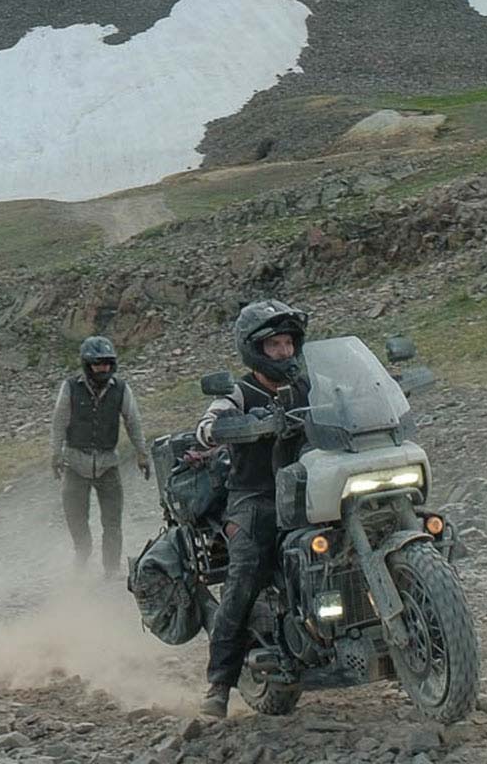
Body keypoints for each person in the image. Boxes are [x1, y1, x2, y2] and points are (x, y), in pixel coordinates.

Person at [194, 299, 312, 718]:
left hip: (310, 486)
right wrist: (220, 428)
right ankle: (220, 682)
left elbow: (350, 397)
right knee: (245, 570)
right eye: (274, 345)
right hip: (256, 496)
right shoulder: (240, 392)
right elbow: (208, 423)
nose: (283, 351)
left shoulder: (308, 383)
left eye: (288, 343)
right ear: (255, 349)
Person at [51, 335, 152, 577]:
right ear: (87, 365)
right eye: (97, 364)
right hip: (75, 462)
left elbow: (133, 421)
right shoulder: (70, 387)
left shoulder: (121, 389)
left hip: (108, 463)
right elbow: (59, 422)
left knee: (112, 522)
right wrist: (55, 455)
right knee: (76, 518)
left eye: (107, 363)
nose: (103, 368)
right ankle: (82, 552)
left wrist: (142, 453)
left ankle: (112, 568)